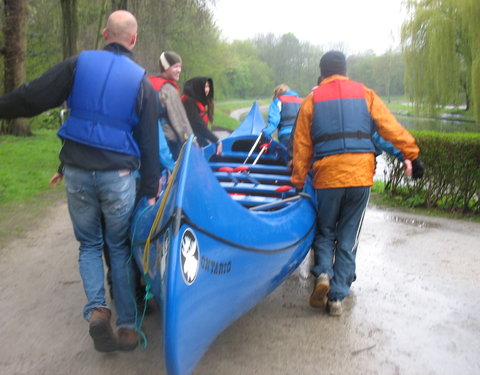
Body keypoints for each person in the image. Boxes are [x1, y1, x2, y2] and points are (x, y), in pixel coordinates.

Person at [0, 10, 161, 352]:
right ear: (134, 40)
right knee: (118, 247)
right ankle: (128, 327)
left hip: (76, 170)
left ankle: (97, 311)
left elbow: (32, 96)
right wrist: (149, 190)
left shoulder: (77, 65)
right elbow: (149, 142)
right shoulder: (143, 82)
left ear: (105, 34)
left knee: (89, 244)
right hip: (118, 175)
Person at [291, 50, 424, 316]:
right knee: (348, 237)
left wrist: (297, 181)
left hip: (327, 176)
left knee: (326, 230)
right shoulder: (365, 93)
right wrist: (412, 154)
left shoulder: (311, 100)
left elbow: (302, 145)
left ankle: (324, 275)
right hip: (360, 176)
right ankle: (337, 298)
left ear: (323, 71)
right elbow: (389, 127)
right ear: (345, 70)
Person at [149, 51, 193, 163]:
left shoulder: (148, 83)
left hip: (149, 140)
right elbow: (180, 121)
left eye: (180, 67)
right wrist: (191, 144)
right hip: (167, 143)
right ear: (165, 67)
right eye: (175, 66)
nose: (179, 70)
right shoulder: (169, 89)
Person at [182, 76, 222, 155]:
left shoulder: (200, 101)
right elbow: (198, 125)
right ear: (197, 87)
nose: (207, 89)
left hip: (198, 139)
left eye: (208, 86)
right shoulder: (188, 102)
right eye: (205, 87)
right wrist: (216, 140)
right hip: (188, 141)